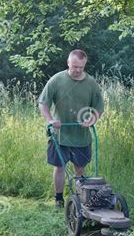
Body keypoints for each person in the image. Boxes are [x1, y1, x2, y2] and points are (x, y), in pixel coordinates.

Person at [38, 49, 104, 210]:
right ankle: (59, 199)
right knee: (59, 167)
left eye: (81, 67)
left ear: (85, 65)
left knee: (80, 169)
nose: (78, 70)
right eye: (75, 66)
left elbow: (99, 107)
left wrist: (92, 119)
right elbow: (43, 103)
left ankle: (80, 199)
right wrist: (51, 120)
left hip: (81, 135)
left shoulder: (91, 83)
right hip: (60, 134)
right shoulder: (57, 80)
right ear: (68, 63)